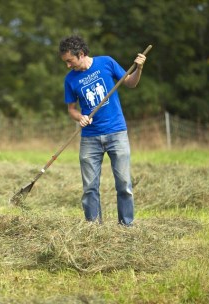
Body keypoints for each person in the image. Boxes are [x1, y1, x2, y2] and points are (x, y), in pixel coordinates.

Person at [59, 35, 146, 225]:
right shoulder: (70, 79)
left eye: (69, 61)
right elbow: (71, 109)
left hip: (116, 132)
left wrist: (139, 68)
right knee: (90, 187)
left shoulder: (106, 62)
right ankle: (93, 229)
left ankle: (126, 226)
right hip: (90, 138)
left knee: (124, 184)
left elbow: (130, 83)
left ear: (81, 54)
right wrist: (79, 117)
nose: (68, 66)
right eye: (65, 62)